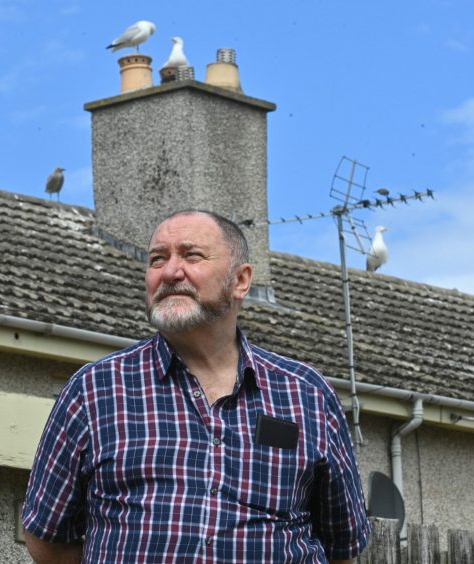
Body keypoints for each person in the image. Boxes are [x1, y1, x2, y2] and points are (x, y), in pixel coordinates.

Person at [23, 210, 370, 563]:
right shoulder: (95, 391)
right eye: (157, 259)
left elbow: (341, 548)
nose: (171, 272)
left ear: (241, 280)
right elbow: (46, 540)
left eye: (192, 255)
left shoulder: (308, 396)